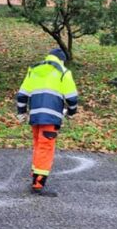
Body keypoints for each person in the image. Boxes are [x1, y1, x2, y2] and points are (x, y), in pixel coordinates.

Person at [15, 48, 78, 197]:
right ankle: (38, 185)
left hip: (35, 117)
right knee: (46, 149)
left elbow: (22, 95)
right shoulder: (63, 72)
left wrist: (21, 112)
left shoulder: (34, 70)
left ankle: (35, 179)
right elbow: (72, 98)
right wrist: (71, 112)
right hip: (50, 119)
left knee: (38, 147)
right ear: (61, 60)